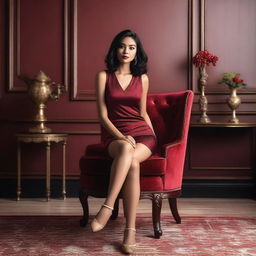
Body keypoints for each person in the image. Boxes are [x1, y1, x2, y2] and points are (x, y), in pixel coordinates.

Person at [91, 29, 157, 255]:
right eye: (122, 46)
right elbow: (102, 116)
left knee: (133, 161)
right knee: (128, 156)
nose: (126, 51)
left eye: (131, 47)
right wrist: (121, 136)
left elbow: (142, 112)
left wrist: (152, 134)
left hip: (143, 134)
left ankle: (109, 210)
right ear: (115, 49)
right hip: (115, 134)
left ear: (137, 51)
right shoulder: (103, 76)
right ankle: (127, 229)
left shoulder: (143, 78)